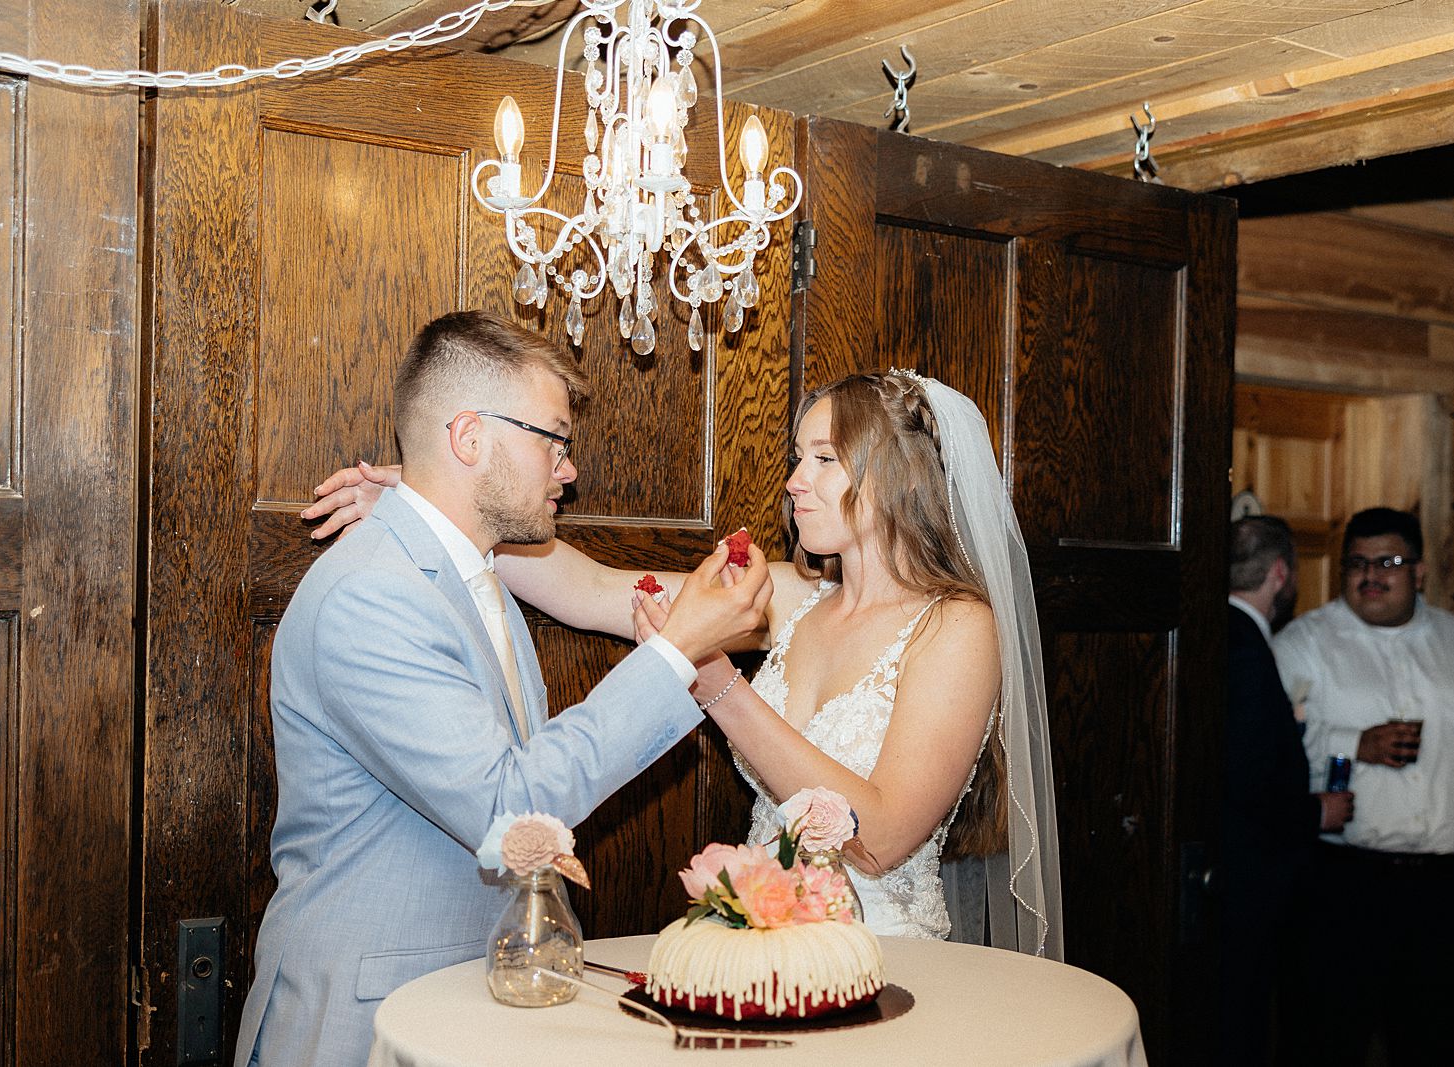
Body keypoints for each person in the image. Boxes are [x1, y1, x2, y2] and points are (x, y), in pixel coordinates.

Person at [310, 369, 1063, 958]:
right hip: (756, 949)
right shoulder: (792, 598)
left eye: (824, 458)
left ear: (896, 474)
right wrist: (428, 505)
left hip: (882, 956)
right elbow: (589, 587)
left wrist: (717, 684)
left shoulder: (957, 626)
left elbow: (884, 833)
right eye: (796, 457)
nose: (794, 480)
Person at [236, 310, 773, 1067]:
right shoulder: (372, 594)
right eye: (553, 438)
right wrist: (679, 649)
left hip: (468, 1004)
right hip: (366, 1025)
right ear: (469, 437)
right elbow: (505, 810)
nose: (568, 468)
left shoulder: (472, 575)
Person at [1273, 507, 1454, 1066]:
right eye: (1358, 563)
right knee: (1328, 1039)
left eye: (1389, 562)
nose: (1372, 575)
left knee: (1440, 1039)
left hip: (1453, 883)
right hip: (1348, 881)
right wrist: (1351, 742)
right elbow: (1261, 750)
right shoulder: (1304, 642)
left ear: (1419, 572)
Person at [1221, 515, 1353, 1065]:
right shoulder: (1247, 648)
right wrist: (1314, 813)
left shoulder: (1224, 633)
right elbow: (1243, 783)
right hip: (1245, 880)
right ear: (1282, 573)